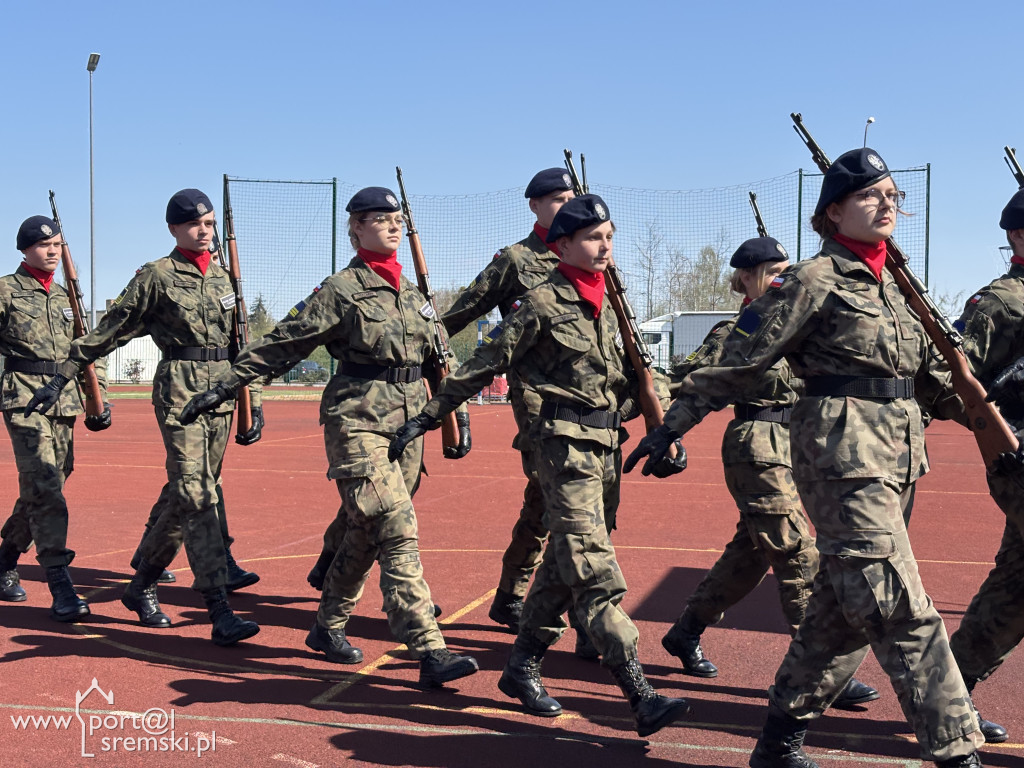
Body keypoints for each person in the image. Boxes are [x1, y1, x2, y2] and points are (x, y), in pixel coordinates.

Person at [625, 149, 985, 768]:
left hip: (899, 458)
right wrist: (672, 425)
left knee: (840, 611)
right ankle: (957, 750)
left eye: (893, 195)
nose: (887, 204)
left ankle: (778, 741)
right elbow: (741, 357)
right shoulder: (812, 280)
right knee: (900, 603)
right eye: (871, 195)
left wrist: (997, 411)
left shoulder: (897, 285)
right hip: (843, 461)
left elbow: (935, 380)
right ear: (833, 212)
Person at [389, 194, 690, 737]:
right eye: (594, 238)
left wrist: (664, 429)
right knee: (594, 568)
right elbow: (484, 364)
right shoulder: (541, 303)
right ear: (563, 245)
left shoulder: (612, 303)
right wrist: (430, 415)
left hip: (606, 449)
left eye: (610, 237)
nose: (605, 247)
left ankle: (521, 667)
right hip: (562, 450)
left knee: (560, 564)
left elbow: (639, 378)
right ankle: (639, 692)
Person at [180, 186, 478, 688]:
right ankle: (428, 647)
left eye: (397, 219)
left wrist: (456, 414)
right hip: (358, 422)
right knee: (396, 526)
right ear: (356, 228)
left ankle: (327, 626)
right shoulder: (341, 289)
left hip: (408, 427)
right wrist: (227, 384)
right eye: (379, 219)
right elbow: (286, 341)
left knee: (365, 532)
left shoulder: (413, 293)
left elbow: (439, 358)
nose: (393, 225)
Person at [25, 189, 260, 647]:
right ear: (173, 228)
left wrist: (256, 399)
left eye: (209, 224)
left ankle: (141, 585)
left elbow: (241, 344)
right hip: (180, 392)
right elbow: (110, 329)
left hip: (222, 394)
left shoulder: (225, 278)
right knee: (196, 494)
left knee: (184, 495)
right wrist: (64, 376)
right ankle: (218, 606)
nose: (203, 231)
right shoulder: (156, 275)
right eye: (194, 224)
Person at [662, 236, 879, 711]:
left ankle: (686, 631)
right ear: (745, 277)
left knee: (750, 554)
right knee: (796, 551)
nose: (784, 277)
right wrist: (659, 422)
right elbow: (690, 377)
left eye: (787, 269)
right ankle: (819, 667)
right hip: (756, 446)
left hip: (797, 445)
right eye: (773, 271)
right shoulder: (737, 328)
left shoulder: (800, 320)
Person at [438, 167, 600, 655]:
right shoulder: (517, 260)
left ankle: (512, 593)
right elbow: (462, 311)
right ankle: (586, 613)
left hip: (589, 398)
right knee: (564, 498)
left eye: (571, 197)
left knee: (551, 498)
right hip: (536, 396)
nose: (566, 205)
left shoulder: (593, 254)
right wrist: (425, 355)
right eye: (557, 199)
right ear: (535, 206)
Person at [939, 189, 1024, 745]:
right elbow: (950, 382)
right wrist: (999, 416)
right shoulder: (999, 303)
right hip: (1019, 457)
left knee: (1016, 587)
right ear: (1017, 235)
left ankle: (945, 694)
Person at [0, 215, 110, 621]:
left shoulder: (67, 297)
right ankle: (59, 582)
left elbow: (88, 351)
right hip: (24, 398)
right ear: (25, 249)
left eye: (58, 245)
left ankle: (5, 558)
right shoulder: (6, 290)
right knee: (46, 485)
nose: (52, 251)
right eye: (44, 245)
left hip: (64, 401)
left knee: (52, 479)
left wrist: (100, 397)